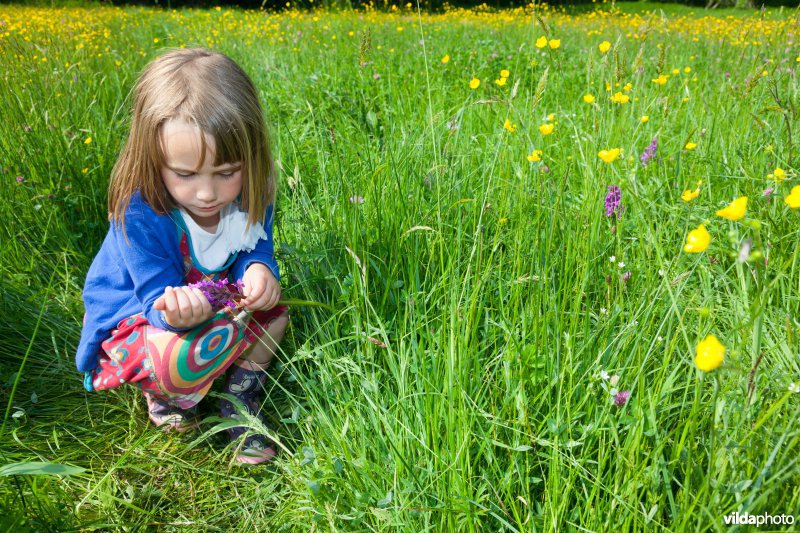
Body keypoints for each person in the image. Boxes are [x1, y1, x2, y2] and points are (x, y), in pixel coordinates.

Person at [75, 48, 289, 465]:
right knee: (177, 360)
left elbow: (254, 246)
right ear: (152, 160)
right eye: (186, 175)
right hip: (137, 314)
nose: (208, 193)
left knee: (276, 315)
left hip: (205, 303)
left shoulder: (254, 191)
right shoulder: (140, 211)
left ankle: (239, 398)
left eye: (227, 172)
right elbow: (155, 299)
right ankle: (167, 397)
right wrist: (176, 314)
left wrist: (260, 268)